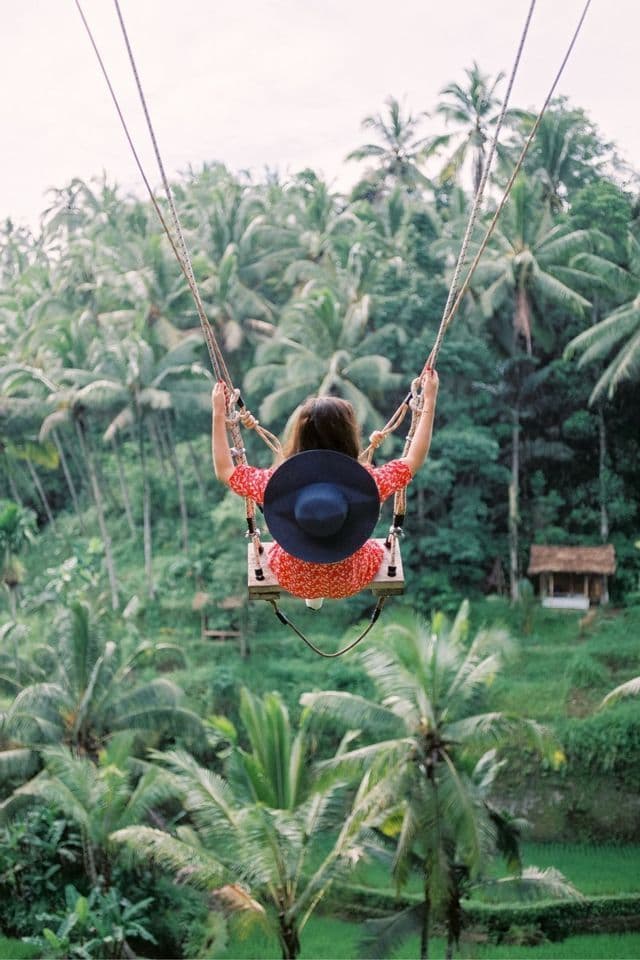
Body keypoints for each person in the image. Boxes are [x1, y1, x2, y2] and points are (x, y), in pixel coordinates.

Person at [211, 371, 438, 606]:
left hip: (294, 578)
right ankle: (320, 576)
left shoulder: (274, 482)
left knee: (284, 547)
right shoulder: (368, 482)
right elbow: (414, 460)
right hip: (350, 580)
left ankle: (313, 588)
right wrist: (430, 399)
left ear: (299, 435)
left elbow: (224, 471)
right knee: (370, 548)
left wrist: (218, 413)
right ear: (349, 434)